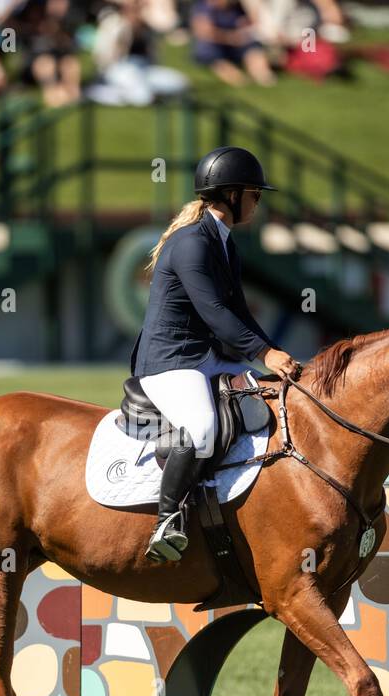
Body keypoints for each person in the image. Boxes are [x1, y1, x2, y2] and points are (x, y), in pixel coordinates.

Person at [129, 146, 302, 563]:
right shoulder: (192, 243)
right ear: (231, 195)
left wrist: (276, 355)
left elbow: (240, 312)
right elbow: (215, 312)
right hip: (170, 362)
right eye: (255, 195)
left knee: (272, 397)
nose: (258, 202)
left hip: (203, 358)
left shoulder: (224, 244)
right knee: (202, 425)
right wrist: (264, 352)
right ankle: (166, 522)